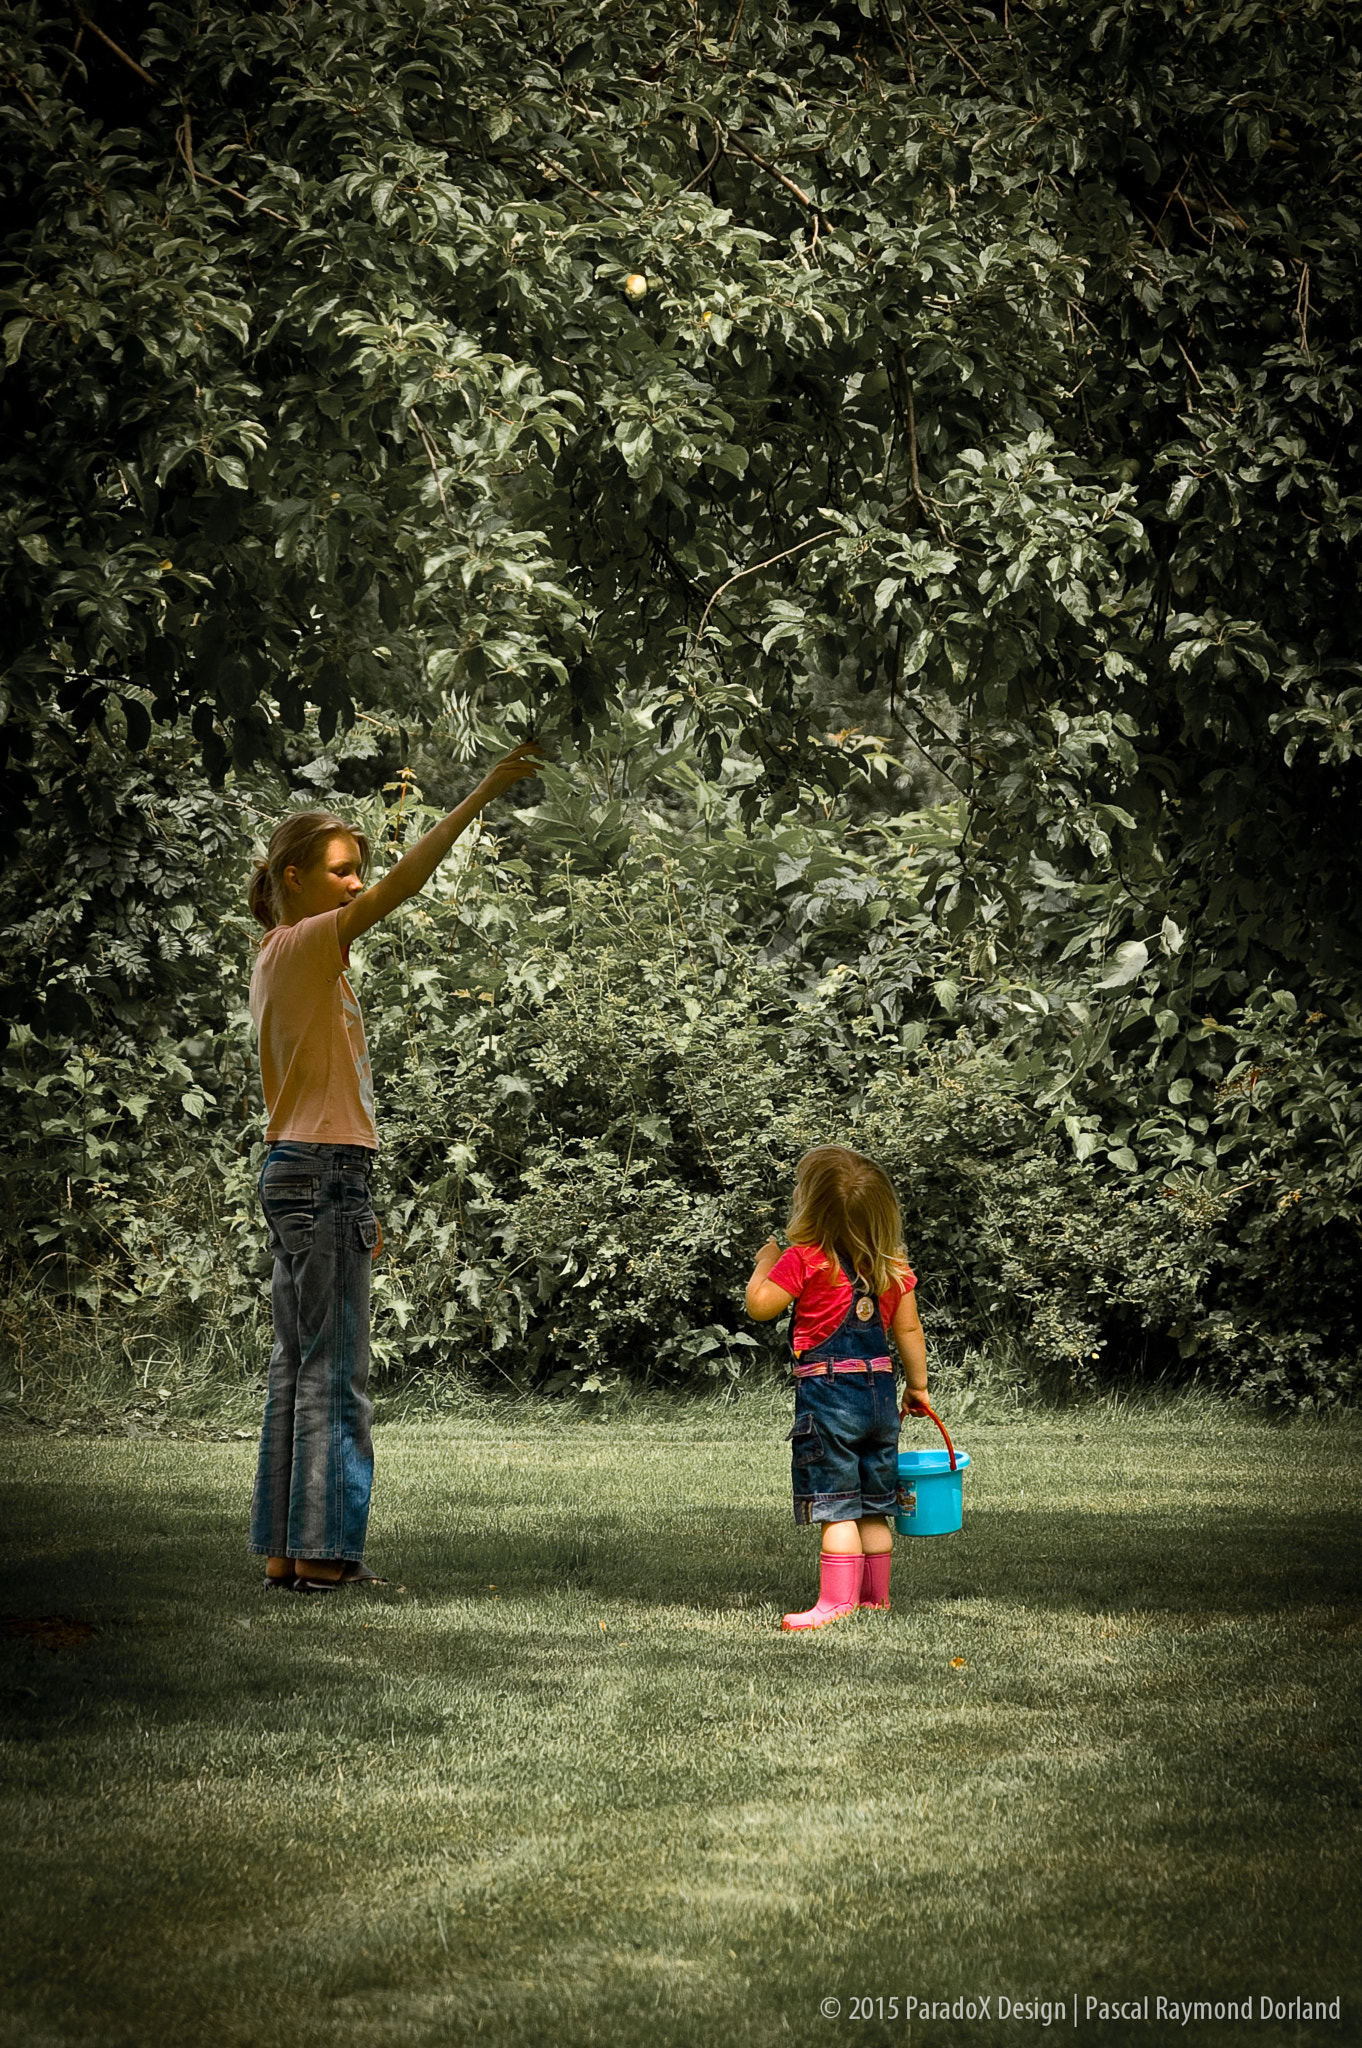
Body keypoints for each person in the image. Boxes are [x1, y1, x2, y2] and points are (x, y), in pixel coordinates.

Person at [246, 742, 542, 1592]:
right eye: (340, 870)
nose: (353, 884)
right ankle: (327, 1557)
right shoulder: (305, 943)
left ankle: (286, 1551)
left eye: (356, 871)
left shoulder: (277, 955)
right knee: (336, 1372)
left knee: (294, 1366)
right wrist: (482, 791)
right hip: (327, 1170)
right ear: (293, 876)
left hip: (294, 1167)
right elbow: (405, 885)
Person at [745, 1143, 929, 1631]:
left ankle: (834, 1604)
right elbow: (909, 1332)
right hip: (880, 1398)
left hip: (828, 1399)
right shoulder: (892, 1266)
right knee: (874, 1504)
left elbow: (761, 1306)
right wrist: (919, 1387)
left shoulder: (806, 1260)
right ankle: (876, 1599)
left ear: (811, 1207)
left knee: (835, 1505)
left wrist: (765, 1262)